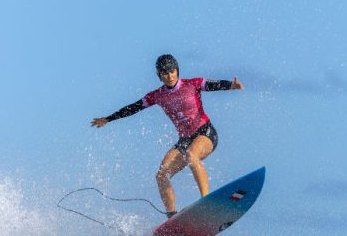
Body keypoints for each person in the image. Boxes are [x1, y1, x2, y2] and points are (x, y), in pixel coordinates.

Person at [91, 54, 244, 218]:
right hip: (184, 140)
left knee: (192, 155)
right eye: (165, 73)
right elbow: (133, 107)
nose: (169, 76)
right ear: (159, 76)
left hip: (205, 133)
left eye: (172, 71)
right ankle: (172, 216)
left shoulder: (192, 84)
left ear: (177, 71)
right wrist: (108, 119)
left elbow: (213, 85)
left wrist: (231, 85)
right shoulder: (156, 95)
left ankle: (206, 201)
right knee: (162, 174)